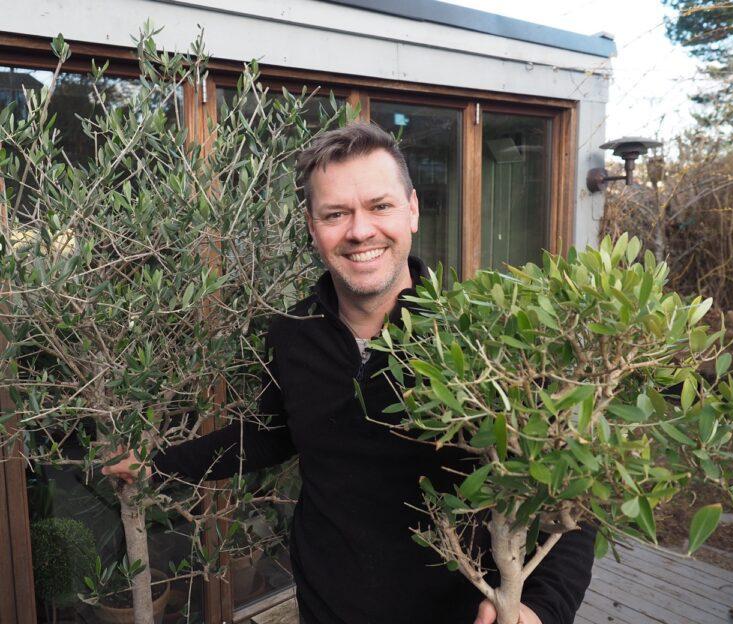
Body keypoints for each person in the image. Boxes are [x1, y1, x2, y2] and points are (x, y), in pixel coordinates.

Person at [102, 123, 595, 624]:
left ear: (413, 211)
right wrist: (159, 466)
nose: (360, 231)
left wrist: (541, 608)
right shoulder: (292, 332)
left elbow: (567, 493)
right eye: (335, 214)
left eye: (379, 206)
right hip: (326, 604)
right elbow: (275, 433)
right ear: (312, 228)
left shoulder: (487, 341)